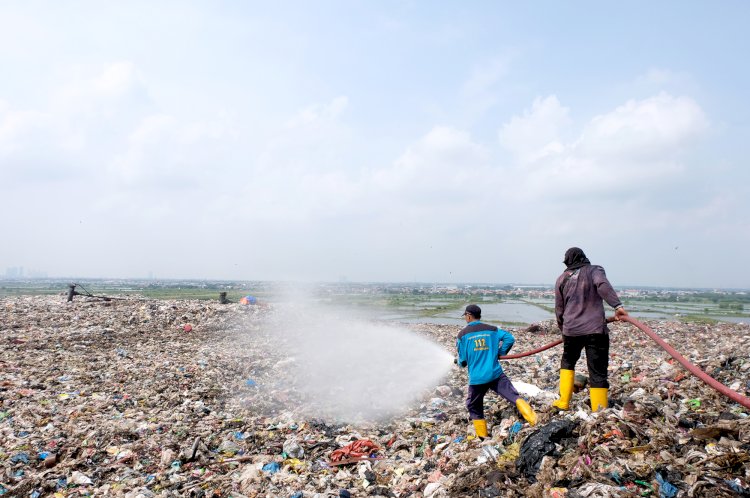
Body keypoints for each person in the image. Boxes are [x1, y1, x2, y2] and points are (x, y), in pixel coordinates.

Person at [553, 247, 628, 412]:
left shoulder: (561, 279)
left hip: (571, 331)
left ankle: (563, 401)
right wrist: (617, 306)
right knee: (597, 370)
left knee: (567, 362)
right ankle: (598, 410)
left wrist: (563, 328)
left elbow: (559, 309)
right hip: (595, 330)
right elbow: (602, 285)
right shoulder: (595, 271)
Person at [456, 304, 537, 439]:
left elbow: (463, 361)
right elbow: (509, 338)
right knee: (513, 396)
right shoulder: (492, 329)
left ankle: (483, 436)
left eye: (465, 316)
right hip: (495, 374)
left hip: (477, 378)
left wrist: (458, 362)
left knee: (473, 405)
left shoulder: (462, 335)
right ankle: (535, 420)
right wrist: (501, 352)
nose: (465, 318)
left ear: (469, 316)